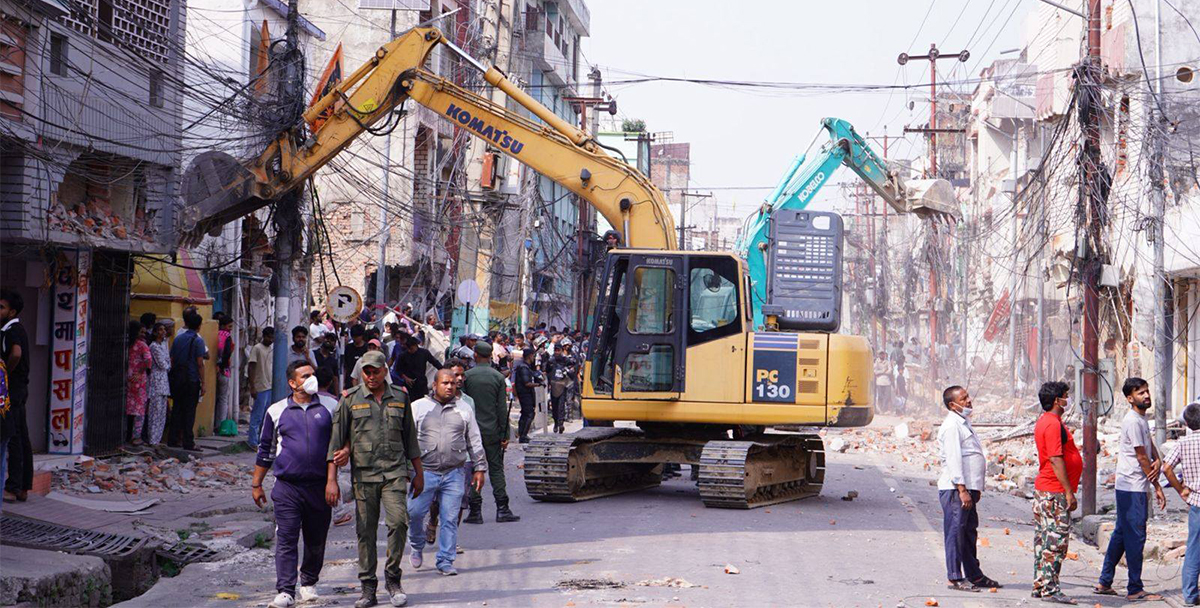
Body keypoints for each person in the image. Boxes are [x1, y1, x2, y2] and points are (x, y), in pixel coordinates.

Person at [326, 350, 424, 608]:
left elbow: (410, 439)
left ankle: (393, 578)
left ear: (384, 371)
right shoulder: (349, 399)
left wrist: (419, 473)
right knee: (365, 532)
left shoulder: (401, 397)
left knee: (399, 523)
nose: (370, 376)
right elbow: (336, 444)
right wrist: (331, 480)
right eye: (366, 372)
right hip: (364, 476)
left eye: (375, 371)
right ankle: (368, 587)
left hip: (394, 473)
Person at [252, 361, 337, 608]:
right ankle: (286, 590)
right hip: (287, 486)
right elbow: (265, 449)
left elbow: (340, 442)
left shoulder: (330, 407)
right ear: (292, 383)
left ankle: (308, 582)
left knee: (316, 537)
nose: (312, 378)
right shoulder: (276, 411)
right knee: (287, 538)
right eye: (306, 376)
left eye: (313, 374)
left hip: (320, 486)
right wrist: (256, 484)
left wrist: (335, 476)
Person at [406, 370, 486, 575]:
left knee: (449, 518)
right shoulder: (418, 407)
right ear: (435, 385)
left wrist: (479, 468)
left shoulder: (464, 409)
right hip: (424, 473)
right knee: (414, 513)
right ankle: (416, 545)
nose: (450, 386)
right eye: (445, 383)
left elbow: (474, 439)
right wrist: (407, 470)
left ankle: (445, 560)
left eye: (453, 383)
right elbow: (406, 440)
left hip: (454, 473)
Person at [1094, 378, 1166, 601]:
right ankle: (1135, 588)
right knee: (1136, 536)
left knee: (1122, 534)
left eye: (1146, 391)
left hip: (1130, 485)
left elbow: (1148, 446)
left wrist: (1158, 459)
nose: (1146, 395)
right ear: (1129, 398)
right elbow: (1141, 455)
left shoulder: (1141, 420)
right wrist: (1157, 486)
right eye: (1140, 393)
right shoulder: (1133, 421)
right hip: (1133, 486)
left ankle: (1105, 581)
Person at [937, 386, 1001, 592]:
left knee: (968, 533)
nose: (969, 401)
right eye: (964, 399)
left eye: (967, 397)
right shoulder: (951, 426)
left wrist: (975, 488)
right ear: (952, 405)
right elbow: (954, 459)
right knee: (956, 532)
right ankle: (955, 577)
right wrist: (962, 489)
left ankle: (974, 575)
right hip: (956, 489)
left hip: (967, 489)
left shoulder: (963, 423)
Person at [1031, 381, 1083, 604]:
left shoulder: (1049, 421)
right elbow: (1055, 458)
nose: (1067, 400)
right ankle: (1050, 589)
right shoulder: (1052, 424)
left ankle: (1041, 585)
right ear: (1056, 401)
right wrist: (1068, 491)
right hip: (1054, 492)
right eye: (1065, 396)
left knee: (1044, 540)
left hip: (1047, 491)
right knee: (1055, 542)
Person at [463, 342, 520, 524]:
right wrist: (505, 434)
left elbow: (463, 405)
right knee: (496, 469)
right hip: (492, 431)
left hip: (471, 433)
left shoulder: (467, 377)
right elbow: (502, 410)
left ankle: (475, 511)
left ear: (475, 355)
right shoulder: (497, 377)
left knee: (474, 469)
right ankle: (502, 509)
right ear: (490, 356)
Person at [1163, 402, 1200, 604]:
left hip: (1196, 501)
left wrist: (1180, 490)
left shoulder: (1183, 444)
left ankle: (1190, 595)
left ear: (1186, 423)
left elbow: (1166, 468)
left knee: (1194, 548)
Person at [1, 290, 31, 503]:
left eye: (1, 307)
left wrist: (4, 374)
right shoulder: (14, 328)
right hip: (18, 390)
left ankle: (13, 487)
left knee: (12, 438)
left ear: (11, 311)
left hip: (13, 391)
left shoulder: (11, 330)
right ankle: (22, 487)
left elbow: (16, 354)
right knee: (20, 436)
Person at [168, 308, 207, 450]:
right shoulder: (198, 340)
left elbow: (171, 359)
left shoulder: (178, 339)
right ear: (199, 326)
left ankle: (172, 439)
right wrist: (203, 383)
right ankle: (188, 442)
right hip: (191, 379)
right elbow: (200, 363)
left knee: (177, 409)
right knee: (189, 411)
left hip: (178, 379)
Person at [247, 328, 276, 449]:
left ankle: (260, 440)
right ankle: (252, 441)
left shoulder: (272, 349)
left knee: (265, 416)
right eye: (269, 337)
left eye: (272, 337)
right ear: (264, 336)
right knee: (257, 416)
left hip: (269, 386)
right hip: (260, 386)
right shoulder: (257, 348)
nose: (271, 340)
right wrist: (252, 386)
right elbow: (251, 367)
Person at [125, 321, 152, 445]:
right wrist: (140, 372)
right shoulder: (142, 345)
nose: (144, 334)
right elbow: (148, 360)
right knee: (140, 409)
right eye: (141, 332)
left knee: (128, 408)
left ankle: (125, 434)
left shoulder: (127, 344)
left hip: (127, 378)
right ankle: (136, 437)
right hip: (139, 380)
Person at [146, 322, 171, 446]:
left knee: (162, 412)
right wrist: (168, 363)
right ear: (155, 332)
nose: (163, 332)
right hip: (156, 380)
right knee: (155, 412)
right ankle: (153, 439)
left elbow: (167, 362)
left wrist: (168, 363)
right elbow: (163, 364)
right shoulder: (154, 346)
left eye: (164, 329)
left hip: (164, 381)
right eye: (160, 330)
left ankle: (158, 439)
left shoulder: (163, 344)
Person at [395, 336, 441, 401]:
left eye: (411, 348)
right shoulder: (403, 355)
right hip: (410, 384)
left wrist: (443, 370)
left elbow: (434, 362)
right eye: (408, 349)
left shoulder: (424, 353)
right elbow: (398, 369)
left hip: (421, 382)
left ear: (416, 346)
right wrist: (406, 378)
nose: (409, 350)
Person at [512, 348, 541, 444]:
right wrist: (538, 385)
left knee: (525, 414)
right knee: (529, 414)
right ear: (529, 356)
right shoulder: (524, 368)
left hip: (527, 394)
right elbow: (527, 383)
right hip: (525, 394)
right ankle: (523, 435)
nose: (534, 358)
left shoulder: (526, 367)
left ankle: (522, 435)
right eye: (533, 355)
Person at [547, 342, 577, 434]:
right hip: (554, 386)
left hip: (563, 386)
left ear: (561, 350)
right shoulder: (551, 360)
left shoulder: (565, 360)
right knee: (554, 406)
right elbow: (547, 371)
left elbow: (575, 364)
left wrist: (568, 370)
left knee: (561, 406)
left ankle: (561, 424)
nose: (557, 352)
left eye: (558, 350)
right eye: (555, 350)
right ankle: (556, 423)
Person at [215, 314, 236, 426]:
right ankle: (221, 424)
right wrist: (223, 367)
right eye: (229, 326)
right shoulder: (227, 336)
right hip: (223, 370)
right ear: (223, 325)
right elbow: (227, 353)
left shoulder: (214, 334)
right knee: (223, 398)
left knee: (215, 398)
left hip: (214, 369)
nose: (230, 329)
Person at [344, 325, 369, 389]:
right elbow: (345, 366)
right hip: (349, 379)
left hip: (362, 380)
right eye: (353, 337)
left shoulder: (367, 348)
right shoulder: (348, 348)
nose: (355, 339)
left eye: (357, 337)